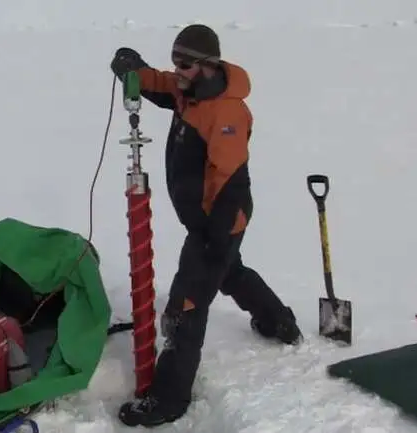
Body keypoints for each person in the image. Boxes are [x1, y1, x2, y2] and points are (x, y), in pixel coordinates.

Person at [109, 24, 303, 427]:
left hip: (218, 219)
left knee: (186, 307)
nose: (177, 70)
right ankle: (277, 320)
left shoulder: (226, 111)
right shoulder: (191, 90)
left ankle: (169, 399)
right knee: (229, 272)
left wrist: (213, 237)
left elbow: (229, 181)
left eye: (185, 64)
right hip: (204, 219)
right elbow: (163, 86)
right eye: (174, 60)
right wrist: (135, 69)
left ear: (208, 65)